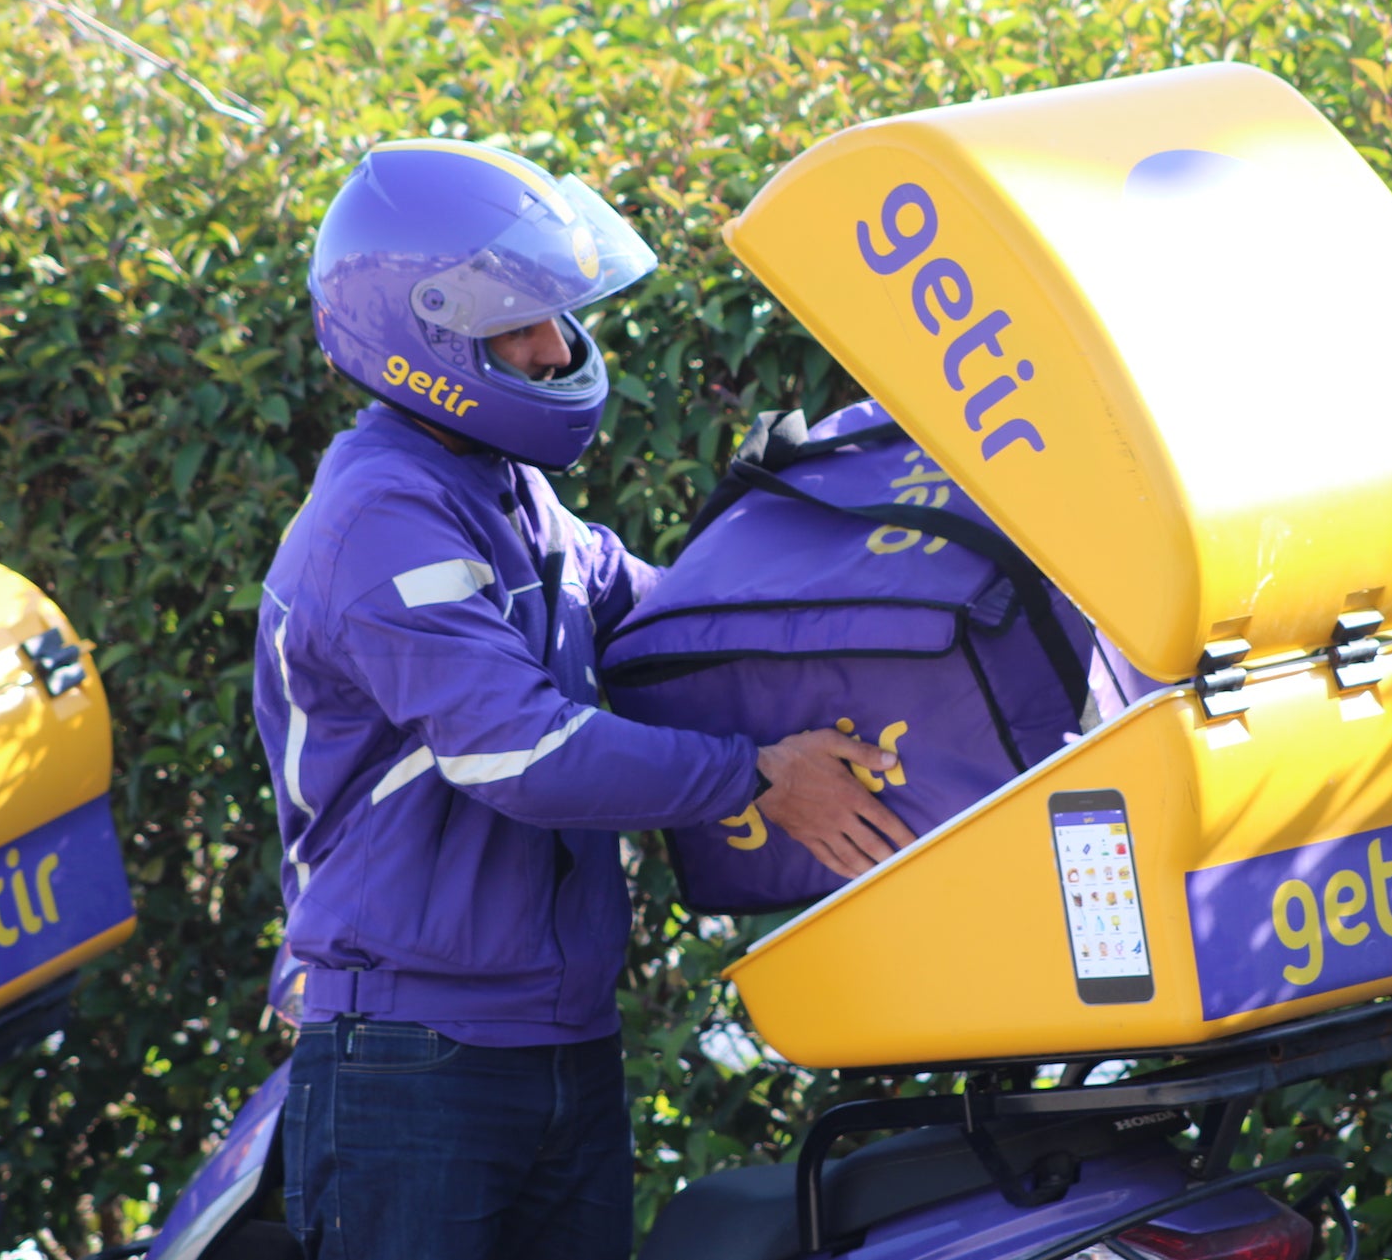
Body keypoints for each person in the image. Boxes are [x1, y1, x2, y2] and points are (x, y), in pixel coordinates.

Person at [252, 138, 915, 1260]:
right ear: (424, 339)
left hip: (559, 1038)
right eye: (516, 323)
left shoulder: (510, 495)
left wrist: (873, 584)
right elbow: (522, 755)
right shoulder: (382, 520)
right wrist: (756, 772)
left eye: (553, 314)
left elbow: (671, 625)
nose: (555, 347)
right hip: (413, 1057)